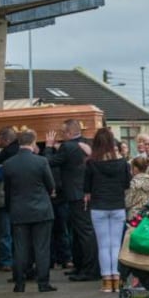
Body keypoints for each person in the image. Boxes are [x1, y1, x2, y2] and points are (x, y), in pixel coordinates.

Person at [3, 130, 57, 293]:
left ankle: (19, 283)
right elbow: (50, 184)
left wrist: (10, 208)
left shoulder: (9, 163)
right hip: (41, 210)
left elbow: (8, 189)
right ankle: (43, 283)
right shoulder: (41, 162)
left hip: (19, 211)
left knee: (20, 248)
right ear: (33, 143)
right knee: (41, 248)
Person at [45, 119, 96, 282]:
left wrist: (48, 146)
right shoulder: (85, 143)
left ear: (69, 133)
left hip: (76, 195)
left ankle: (88, 270)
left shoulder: (68, 147)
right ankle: (81, 266)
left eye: (62, 132)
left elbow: (49, 162)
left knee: (83, 232)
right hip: (83, 193)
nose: (60, 135)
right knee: (80, 232)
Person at [84, 128, 131, 293]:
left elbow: (86, 188)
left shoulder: (91, 163)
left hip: (98, 207)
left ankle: (106, 280)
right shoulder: (122, 163)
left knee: (103, 245)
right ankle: (116, 279)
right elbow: (127, 184)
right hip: (117, 205)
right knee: (116, 244)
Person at [0, 126, 20, 272]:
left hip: (4, 198)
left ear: (5, 140)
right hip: (19, 199)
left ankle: (7, 261)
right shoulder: (20, 150)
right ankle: (19, 259)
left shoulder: (7, 153)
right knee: (18, 232)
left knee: (5, 233)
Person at [126, 156, 149, 221]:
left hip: (134, 216)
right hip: (148, 214)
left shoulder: (134, 183)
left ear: (135, 168)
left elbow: (127, 203)